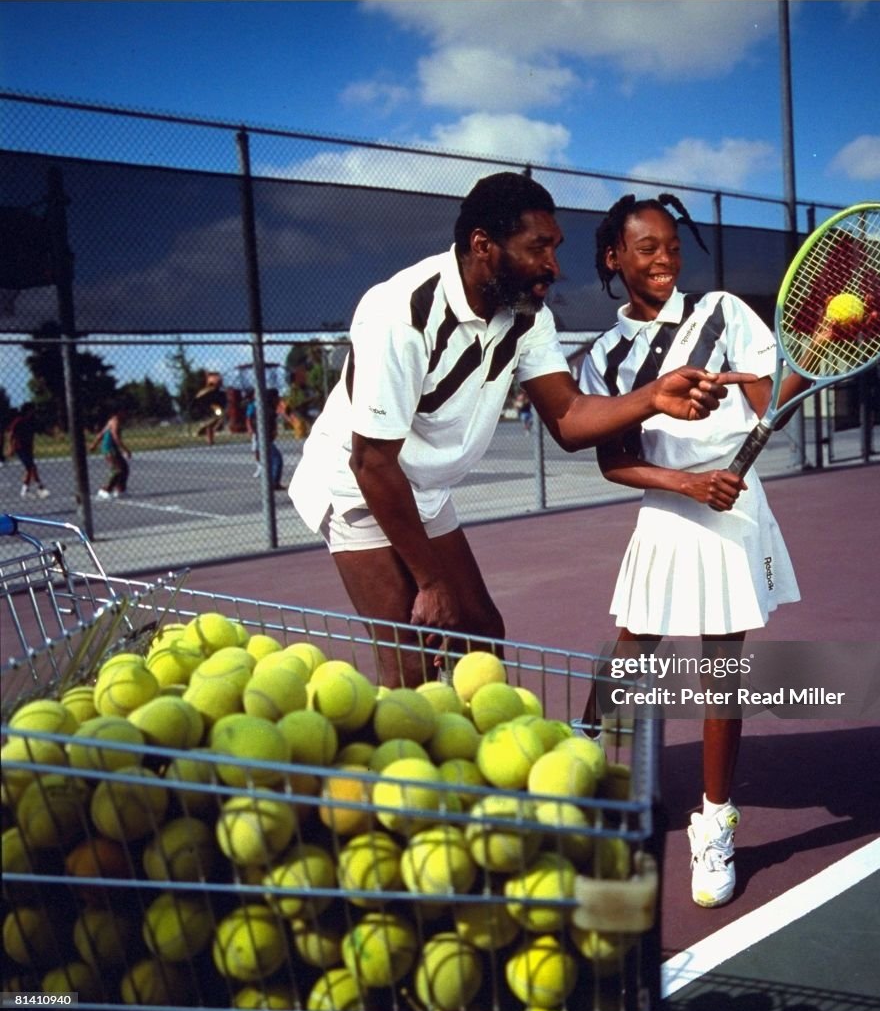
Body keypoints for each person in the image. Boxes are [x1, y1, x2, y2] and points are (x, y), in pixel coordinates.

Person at [289, 172, 753, 687]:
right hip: (357, 483)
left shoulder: (527, 314)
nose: (553, 266)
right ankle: (408, 765)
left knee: (481, 632)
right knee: (410, 651)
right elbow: (371, 462)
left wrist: (651, 397)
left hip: (423, 486)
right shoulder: (400, 314)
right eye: (539, 248)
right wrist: (431, 581)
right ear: (483, 246)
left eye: (554, 248)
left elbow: (569, 419)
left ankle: (475, 757)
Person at [580, 193, 819, 909]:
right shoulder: (602, 357)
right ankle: (580, 753)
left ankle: (714, 825)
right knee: (634, 644)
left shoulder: (722, 311)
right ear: (614, 258)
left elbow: (772, 396)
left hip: (733, 507)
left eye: (672, 248)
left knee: (721, 666)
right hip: (671, 504)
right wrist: (685, 482)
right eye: (647, 249)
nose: (664, 261)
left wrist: (792, 365)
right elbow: (612, 460)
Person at [247, 388, 290, 490]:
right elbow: (254, 423)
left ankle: (271, 482)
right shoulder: (266, 410)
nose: (278, 399)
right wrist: (268, 432)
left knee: (271, 460)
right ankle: (273, 483)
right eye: (276, 397)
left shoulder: (267, 409)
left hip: (265, 439)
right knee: (277, 459)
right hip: (264, 440)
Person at [6, 402, 49, 499]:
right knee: (30, 468)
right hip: (20, 448)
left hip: (28, 447)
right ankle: (25, 490)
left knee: (32, 467)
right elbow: (11, 435)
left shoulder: (31, 421)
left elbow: (37, 431)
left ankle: (39, 487)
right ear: (27, 411)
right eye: (32, 410)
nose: (33, 412)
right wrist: (11, 447)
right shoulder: (19, 421)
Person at [90, 409, 131, 499]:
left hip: (112, 448)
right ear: (119, 412)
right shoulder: (115, 421)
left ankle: (121, 490)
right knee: (118, 469)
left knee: (124, 468)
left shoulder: (111, 421)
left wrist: (94, 444)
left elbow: (101, 434)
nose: (126, 414)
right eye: (125, 412)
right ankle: (105, 490)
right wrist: (125, 450)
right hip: (110, 448)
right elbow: (115, 436)